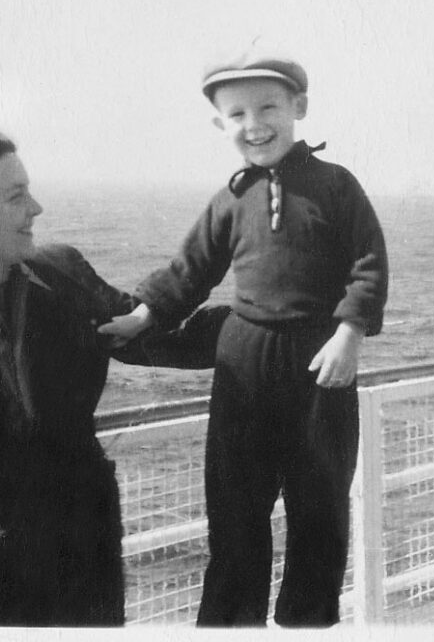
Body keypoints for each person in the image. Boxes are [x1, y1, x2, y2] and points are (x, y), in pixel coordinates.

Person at [0, 130, 226, 626]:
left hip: (80, 564)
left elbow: (165, 338)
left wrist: (291, 324)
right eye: (16, 196)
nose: (35, 208)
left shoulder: (62, 276)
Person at [99, 48, 389, 627]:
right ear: (220, 125)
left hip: (319, 363)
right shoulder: (229, 199)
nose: (254, 125)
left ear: (298, 107)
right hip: (245, 362)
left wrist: (349, 333)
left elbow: (369, 263)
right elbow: (189, 273)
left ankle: (308, 624)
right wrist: (141, 317)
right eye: (237, 115)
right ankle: (231, 628)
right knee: (235, 508)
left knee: (320, 505)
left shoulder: (336, 186)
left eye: (268, 107)